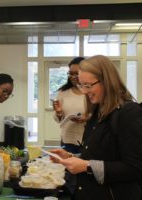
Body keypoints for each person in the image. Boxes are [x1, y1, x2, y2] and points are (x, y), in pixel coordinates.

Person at [51, 55, 142, 200]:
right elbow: (101, 155)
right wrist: (72, 158)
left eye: (88, 85)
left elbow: (135, 168)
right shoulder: (97, 113)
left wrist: (86, 166)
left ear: (107, 81)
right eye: (81, 85)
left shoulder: (128, 112)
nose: (84, 91)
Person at [53, 57, 86, 154]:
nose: (73, 76)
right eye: (71, 73)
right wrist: (58, 113)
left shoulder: (91, 92)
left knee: (85, 167)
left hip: (87, 139)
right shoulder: (63, 92)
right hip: (67, 139)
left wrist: (87, 117)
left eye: (77, 73)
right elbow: (58, 119)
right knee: (67, 167)